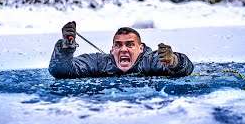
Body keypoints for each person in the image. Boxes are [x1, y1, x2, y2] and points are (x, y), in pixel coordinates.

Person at [49, 21, 194, 78]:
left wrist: (173, 60)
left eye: (130, 44)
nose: (123, 49)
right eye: (118, 45)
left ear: (141, 48)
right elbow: (60, 71)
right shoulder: (100, 63)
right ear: (112, 49)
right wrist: (66, 47)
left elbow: (185, 68)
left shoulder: (150, 60)